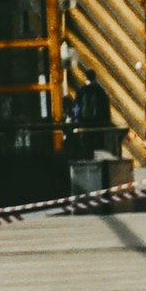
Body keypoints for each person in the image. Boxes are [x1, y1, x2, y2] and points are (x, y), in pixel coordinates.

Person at [63, 63, 117, 199]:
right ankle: (101, 180)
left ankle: (88, 181)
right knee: (99, 148)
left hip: (85, 125)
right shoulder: (101, 91)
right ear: (95, 77)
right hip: (99, 125)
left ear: (85, 77)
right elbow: (106, 109)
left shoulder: (82, 91)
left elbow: (77, 109)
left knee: (87, 149)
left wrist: (77, 123)